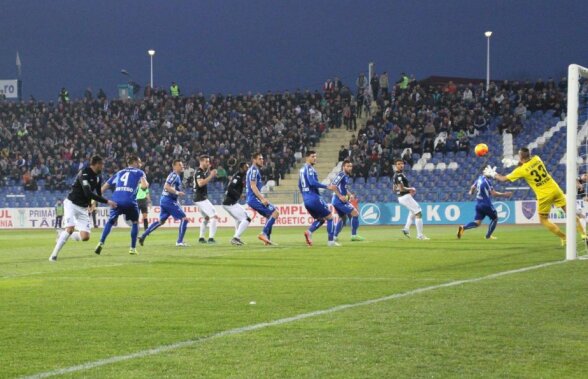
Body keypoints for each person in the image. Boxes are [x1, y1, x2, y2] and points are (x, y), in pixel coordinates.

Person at [484, 147, 586, 245]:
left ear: (520, 157)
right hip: (555, 189)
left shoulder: (521, 170)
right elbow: (528, 164)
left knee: (543, 220)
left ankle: (564, 237)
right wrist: (515, 163)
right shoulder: (537, 158)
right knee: (569, 213)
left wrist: (493, 174)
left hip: (544, 195)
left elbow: (503, 179)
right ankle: (584, 235)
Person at [49, 155, 117, 262]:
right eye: (101, 164)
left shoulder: (98, 177)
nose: (103, 166)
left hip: (83, 208)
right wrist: (108, 202)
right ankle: (53, 255)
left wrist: (93, 204)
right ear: (96, 164)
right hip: (71, 204)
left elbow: (98, 194)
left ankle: (62, 233)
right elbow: (87, 192)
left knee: (85, 237)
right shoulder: (84, 173)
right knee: (70, 228)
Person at [95, 155, 149, 255]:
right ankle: (132, 248)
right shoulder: (139, 172)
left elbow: (104, 187)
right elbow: (145, 186)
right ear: (134, 162)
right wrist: (144, 185)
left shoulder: (119, 172)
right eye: (139, 162)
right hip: (129, 201)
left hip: (116, 200)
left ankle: (101, 242)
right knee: (135, 222)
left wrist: (95, 199)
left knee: (110, 221)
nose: (140, 164)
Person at [138, 159, 190, 247]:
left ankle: (143, 236)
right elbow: (166, 187)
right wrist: (177, 193)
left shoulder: (175, 176)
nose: (182, 166)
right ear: (174, 166)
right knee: (184, 219)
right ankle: (179, 242)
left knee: (161, 221)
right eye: (180, 165)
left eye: (182, 165)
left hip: (166, 200)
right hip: (168, 200)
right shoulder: (174, 175)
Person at [457, 169, 512, 240]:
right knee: (495, 218)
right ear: (484, 172)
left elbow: (472, 187)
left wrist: (471, 192)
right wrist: (504, 194)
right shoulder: (487, 181)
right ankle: (488, 236)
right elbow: (494, 194)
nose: (490, 172)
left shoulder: (479, 179)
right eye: (488, 171)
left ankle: (463, 227)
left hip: (478, 204)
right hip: (486, 204)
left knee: (477, 223)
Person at [299, 150, 340, 247]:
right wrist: (327, 187)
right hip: (313, 198)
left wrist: (305, 195)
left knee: (320, 219)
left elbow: (299, 185)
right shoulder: (309, 168)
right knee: (330, 217)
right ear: (307, 158)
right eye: (313, 156)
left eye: (315, 156)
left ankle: (309, 232)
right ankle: (331, 242)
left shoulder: (301, 170)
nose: (315, 158)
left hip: (307, 200)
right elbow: (312, 182)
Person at [246, 153, 280, 245]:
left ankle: (267, 240)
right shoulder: (253, 170)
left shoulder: (253, 170)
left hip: (252, 198)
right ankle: (263, 234)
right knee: (275, 212)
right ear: (254, 160)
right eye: (259, 159)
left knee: (269, 215)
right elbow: (253, 186)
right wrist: (262, 198)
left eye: (262, 158)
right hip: (254, 198)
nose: (262, 160)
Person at [393, 159, 429, 240]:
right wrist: (411, 189)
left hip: (401, 197)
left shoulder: (396, 175)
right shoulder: (399, 176)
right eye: (399, 164)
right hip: (405, 197)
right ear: (396, 166)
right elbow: (402, 189)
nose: (401, 165)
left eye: (402, 164)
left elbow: (394, 189)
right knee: (418, 212)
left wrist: (407, 190)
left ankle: (406, 228)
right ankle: (420, 235)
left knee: (412, 212)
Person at [331, 160, 364, 242]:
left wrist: (350, 195)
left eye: (351, 166)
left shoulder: (345, 176)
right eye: (348, 166)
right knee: (355, 213)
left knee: (343, 218)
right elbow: (333, 186)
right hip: (338, 200)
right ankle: (354, 235)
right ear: (343, 167)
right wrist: (340, 196)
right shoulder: (341, 174)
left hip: (338, 200)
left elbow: (344, 189)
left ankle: (334, 237)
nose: (350, 168)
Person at [222, 162, 251, 246]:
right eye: (246, 167)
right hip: (229, 203)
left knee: (240, 219)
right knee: (247, 219)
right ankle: (236, 238)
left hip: (232, 202)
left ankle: (237, 238)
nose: (247, 169)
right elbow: (230, 188)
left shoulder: (240, 176)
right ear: (241, 168)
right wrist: (240, 195)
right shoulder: (238, 176)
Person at [193, 155, 219, 244]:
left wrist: (210, 171)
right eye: (206, 161)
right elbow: (200, 184)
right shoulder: (199, 172)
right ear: (201, 162)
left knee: (206, 218)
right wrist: (211, 175)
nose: (208, 163)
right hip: (201, 198)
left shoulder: (202, 172)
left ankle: (201, 237)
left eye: (208, 161)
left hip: (198, 198)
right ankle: (211, 238)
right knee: (214, 215)